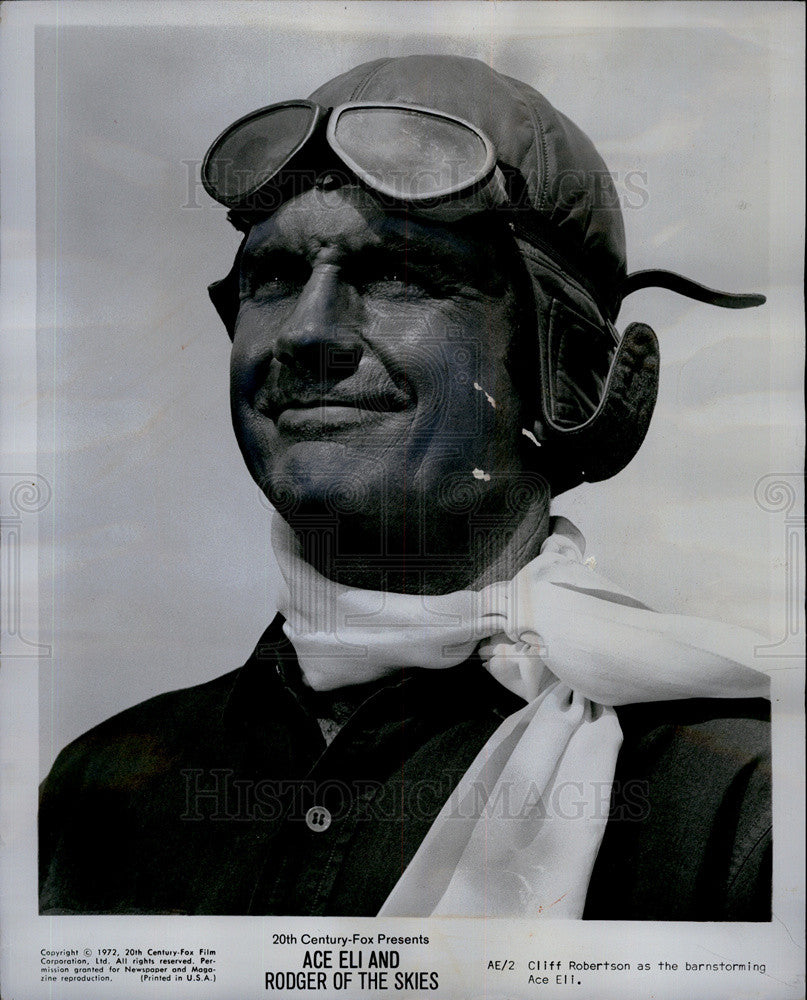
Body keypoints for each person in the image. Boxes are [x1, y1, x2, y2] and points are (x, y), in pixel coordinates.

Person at [39, 55, 771, 919]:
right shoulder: (99, 787)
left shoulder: (737, 802)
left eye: (397, 275)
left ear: (564, 369)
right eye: (271, 279)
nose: (306, 332)